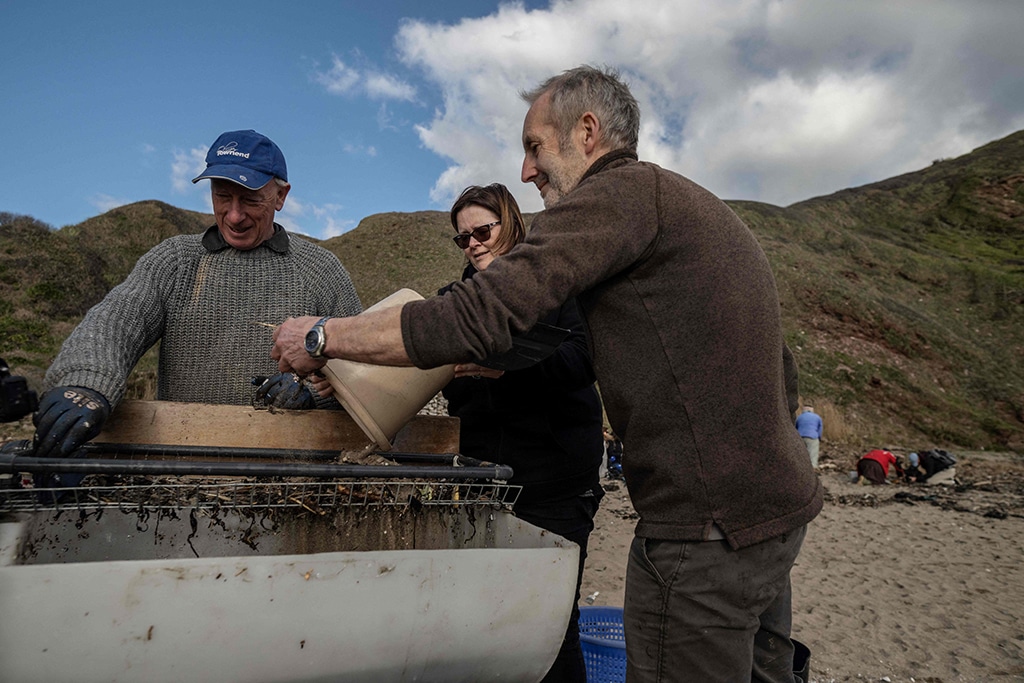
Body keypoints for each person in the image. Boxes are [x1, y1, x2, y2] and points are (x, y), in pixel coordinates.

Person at [271, 65, 822, 682]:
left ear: (587, 132)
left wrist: (323, 334)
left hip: (703, 531)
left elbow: (484, 318)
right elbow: (783, 366)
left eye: (534, 147)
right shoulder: (687, 209)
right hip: (774, 512)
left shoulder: (619, 196)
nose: (527, 170)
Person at [33, 129, 362, 465]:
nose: (234, 216)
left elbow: (362, 375)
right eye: (222, 197)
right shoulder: (175, 260)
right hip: (179, 469)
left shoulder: (321, 271)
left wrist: (310, 396)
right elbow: (117, 321)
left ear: (280, 196)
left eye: (250, 200)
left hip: (289, 477)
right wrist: (86, 383)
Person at [441, 183, 604, 683]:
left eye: (481, 231)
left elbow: (584, 360)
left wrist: (508, 365)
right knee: (485, 621)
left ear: (510, 224)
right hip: (481, 488)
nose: (472, 244)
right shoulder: (454, 303)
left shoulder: (560, 289)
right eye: (462, 238)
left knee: (553, 628)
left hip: (556, 487)